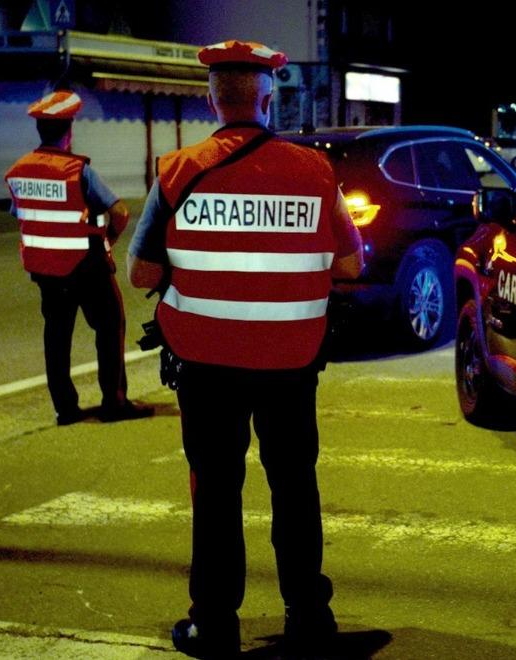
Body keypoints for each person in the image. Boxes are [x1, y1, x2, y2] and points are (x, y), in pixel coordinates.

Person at [128, 41, 363, 657]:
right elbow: (351, 263)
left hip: (206, 366)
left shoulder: (177, 171)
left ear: (211, 99)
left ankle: (214, 623)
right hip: (290, 364)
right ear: (268, 98)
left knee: (215, 488)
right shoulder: (316, 172)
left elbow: (142, 275)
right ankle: (309, 616)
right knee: (293, 485)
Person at [6, 90, 153, 426]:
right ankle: (113, 404)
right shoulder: (76, 170)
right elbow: (119, 211)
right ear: (68, 131)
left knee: (56, 336)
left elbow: (24, 215)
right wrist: (108, 239)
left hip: (45, 270)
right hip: (86, 267)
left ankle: (65, 410)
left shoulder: (18, 171)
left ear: (41, 132)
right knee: (109, 327)